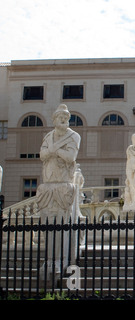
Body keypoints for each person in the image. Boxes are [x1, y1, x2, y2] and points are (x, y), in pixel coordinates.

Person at [36, 104, 81, 275]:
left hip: (64, 184)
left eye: (66, 117)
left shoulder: (74, 136)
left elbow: (71, 157)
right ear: (54, 119)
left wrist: (54, 150)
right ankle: (49, 260)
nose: (63, 119)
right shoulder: (48, 136)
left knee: (62, 224)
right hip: (48, 184)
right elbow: (42, 154)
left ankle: (61, 259)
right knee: (49, 226)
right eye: (60, 117)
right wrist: (56, 151)